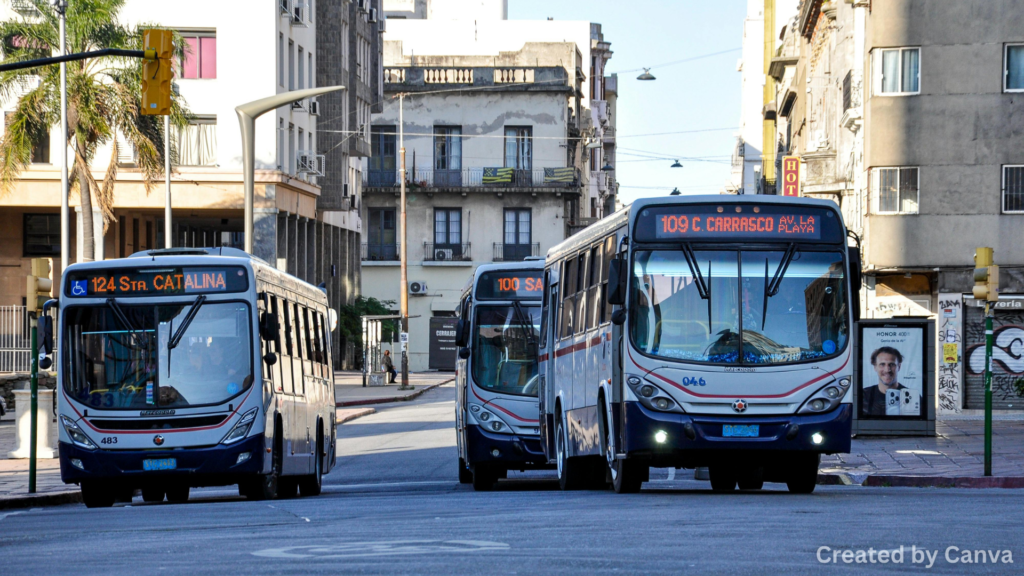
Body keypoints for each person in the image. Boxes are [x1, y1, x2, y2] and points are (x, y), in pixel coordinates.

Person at [862, 346, 920, 416]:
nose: (887, 370)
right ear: (875, 367)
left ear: (899, 366)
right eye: (882, 364)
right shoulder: (863, 396)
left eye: (892, 364)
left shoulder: (913, 397)